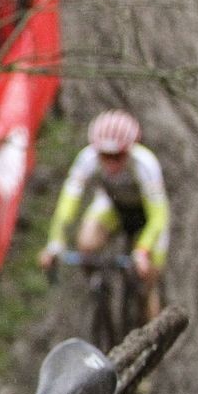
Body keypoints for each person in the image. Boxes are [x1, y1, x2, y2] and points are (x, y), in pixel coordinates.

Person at [37, 110, 169, 321]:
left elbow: (159, 217)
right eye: (105, 156)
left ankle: (153, 333)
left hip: (147, 216)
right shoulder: (87, 159)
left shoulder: (145, 164)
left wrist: (143, 250)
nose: (111, 164)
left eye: (118, 156)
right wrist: (55, 243)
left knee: (147, 281)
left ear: (130, 148)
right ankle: (98, 285)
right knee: (86, 243)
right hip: (114, 208)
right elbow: (67, 204)